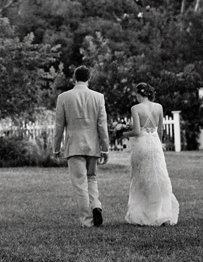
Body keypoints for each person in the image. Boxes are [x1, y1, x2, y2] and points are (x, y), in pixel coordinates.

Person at [53, 66, 111, 227]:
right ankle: (96, 205)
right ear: (89, 78)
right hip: (93, 146)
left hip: (74, 146)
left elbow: (59, 126)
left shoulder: (64, 97)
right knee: (92, 178)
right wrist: (105, 148)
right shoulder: (98, 97)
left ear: (74, 78)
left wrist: (56, 148)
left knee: (80, 183)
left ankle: (87, 220)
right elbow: (102, 125)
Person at [123, 83, 179, 226]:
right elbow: (160, 130)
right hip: (155, 143)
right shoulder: (159, 107)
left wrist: (123, 134)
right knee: (159, 177)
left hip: (141, 144)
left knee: (141, 178)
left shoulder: (135, 108)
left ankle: (144, 214)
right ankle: (163, 212)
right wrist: (158, 143)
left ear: (138, 94)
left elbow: (136, 131)